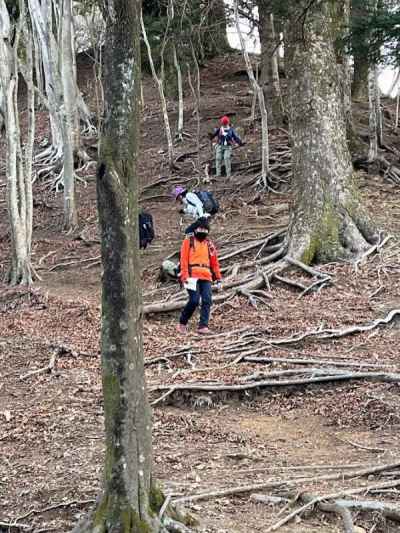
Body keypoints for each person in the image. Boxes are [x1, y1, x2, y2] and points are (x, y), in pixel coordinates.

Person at [178, 218, 222, 334]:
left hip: (206, 276)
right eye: (200, 228)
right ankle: (183, 322)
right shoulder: (188, 241)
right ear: (195, 229)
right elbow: (183, 260)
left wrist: (218, 278)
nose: (202, 231)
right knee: (194, 300)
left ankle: (203, 326)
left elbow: (214, 262)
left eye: (205, 229)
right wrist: (184, 276)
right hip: (191, 275)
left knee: (207, 300)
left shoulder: (209, 244)